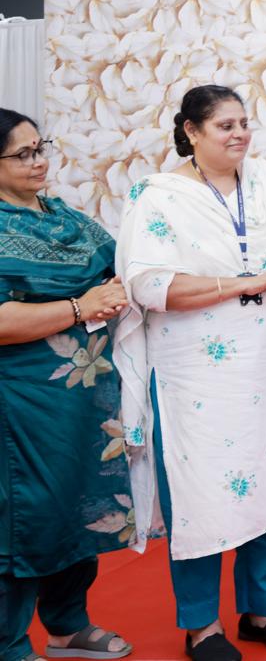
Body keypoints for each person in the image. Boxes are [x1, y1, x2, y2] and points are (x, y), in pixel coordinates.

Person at [114, 86, 266, 661]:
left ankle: (262, 610)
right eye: (225, 126)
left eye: (244, 123)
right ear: (191, 131)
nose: (240, 134)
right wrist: (244, 283)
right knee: (200, 492)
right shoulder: (157, 196)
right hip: (196, 374)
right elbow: (150, 286)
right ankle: (202, 625)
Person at [0, 109, 132, 661]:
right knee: (24, 516)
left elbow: (121, 267)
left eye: (41, 148)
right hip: (22, 400)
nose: (39, 161)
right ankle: (8, 645)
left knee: (81, 504)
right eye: (23, 154)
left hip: (86, 398)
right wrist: (81, 306)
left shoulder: (64, 216)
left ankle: (67, 627)